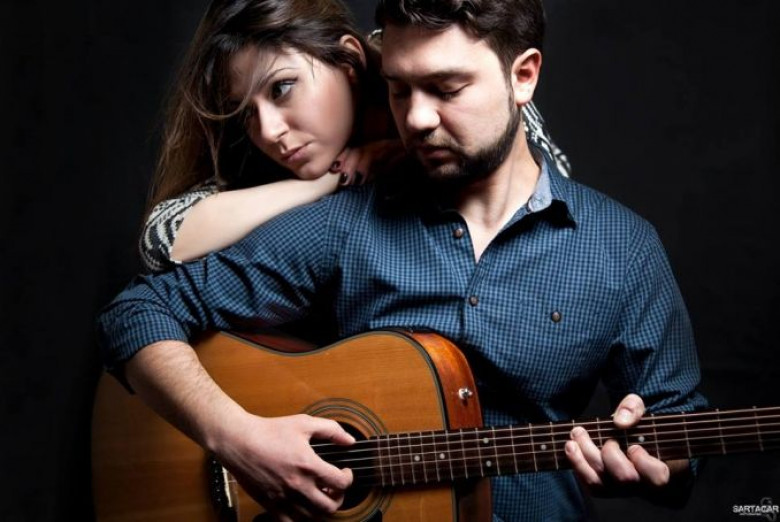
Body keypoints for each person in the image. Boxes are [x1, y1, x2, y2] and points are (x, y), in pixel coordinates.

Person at [97, 0, 706, 520]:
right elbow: (136, 312)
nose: (415, 118)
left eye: (446, 89)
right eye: (398, 89)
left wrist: (663, 465)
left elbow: (680, 438)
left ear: (524, 77)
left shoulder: (620, 247)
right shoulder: (344, 221)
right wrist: (239, 437)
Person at [136, 0, 570, 273]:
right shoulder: (255, 153)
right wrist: (324, 183)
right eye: (246, 111)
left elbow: (549, 177)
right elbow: (162, 240)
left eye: (282, 89)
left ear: (348, 60)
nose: (268, 130)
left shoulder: (415, 55)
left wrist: (400, 155)